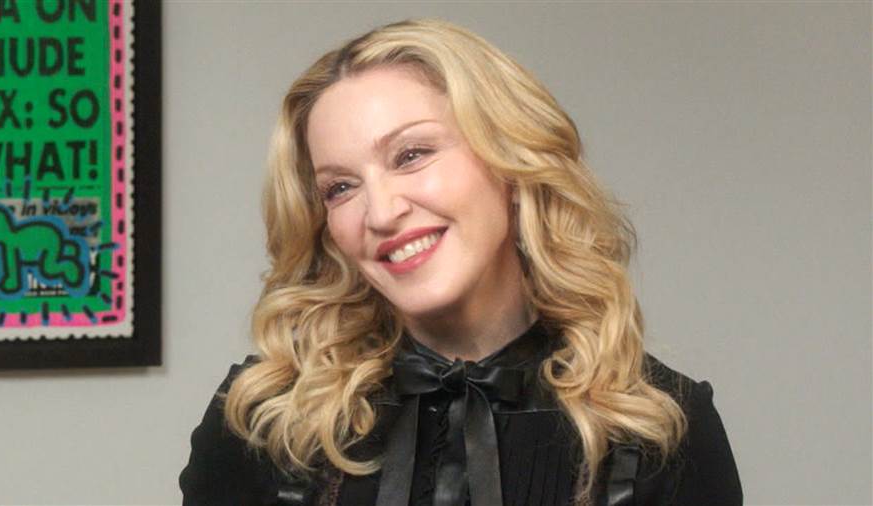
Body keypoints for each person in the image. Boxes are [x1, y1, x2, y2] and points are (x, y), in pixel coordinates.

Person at [179, 19, 742, 506]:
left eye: (411, 155)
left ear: (510, 160)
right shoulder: (262, 418)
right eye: (341, 187)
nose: (381, 212)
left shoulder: (662, 425)